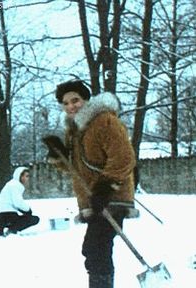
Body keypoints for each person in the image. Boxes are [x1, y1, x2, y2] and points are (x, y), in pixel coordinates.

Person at [42, 79, 138, 288]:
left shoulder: (104, 121)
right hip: (94, 199)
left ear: (86, 99)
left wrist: (105, 188)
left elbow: (124, 157)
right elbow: (76, 169)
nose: (71, 106)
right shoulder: (75, 130)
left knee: (96, 248)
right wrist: (58, 154)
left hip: (112, 196)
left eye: (75, 100)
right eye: (65, 103)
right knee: (95, 250)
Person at [0, 167, 39, 236]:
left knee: (19, 215)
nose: (27, 178)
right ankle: (12, 230)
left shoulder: (10, 184)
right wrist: (28, 210)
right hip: (8, 216)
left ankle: (1, 230)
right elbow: (18, 202)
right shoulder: (16, 185)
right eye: (26, 176)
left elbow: (7, 203)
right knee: (34, 219)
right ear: (20, 176)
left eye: (28, 176)